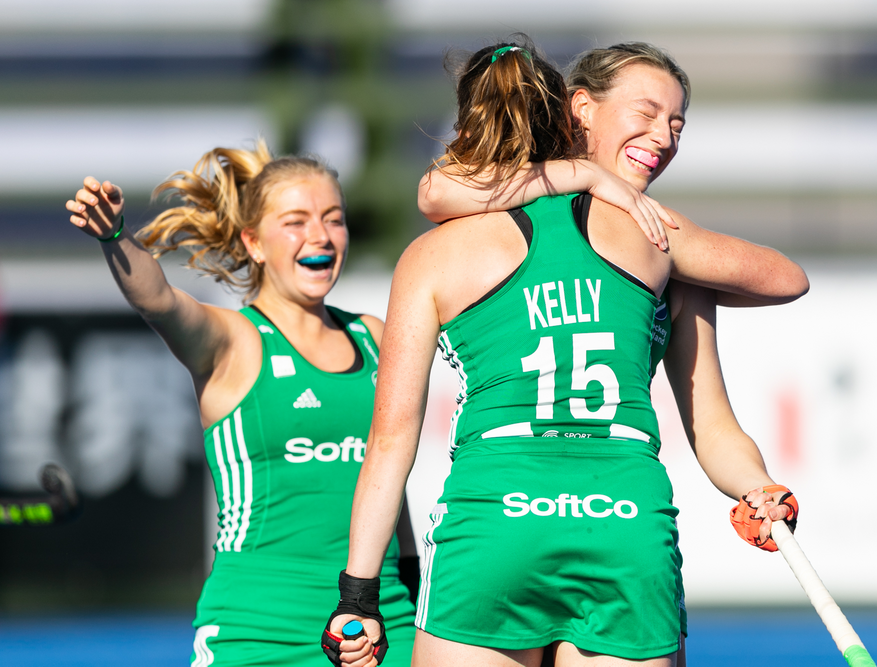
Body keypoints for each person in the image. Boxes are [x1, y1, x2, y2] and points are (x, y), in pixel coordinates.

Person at [327, 40, 799, 667]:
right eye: (647, 113)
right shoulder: (659, 237)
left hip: (495, 525)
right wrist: (759, 488)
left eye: (677, 124)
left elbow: (391, 440)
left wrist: (358, 596)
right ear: (577, 108)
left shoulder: (433, 252)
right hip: (625, 526)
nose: (664, 136)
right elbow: (777, 299)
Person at [65, 143, 416, 667]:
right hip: (257, 628)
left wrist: (411, 578)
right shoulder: (234, 340)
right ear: (254, 242)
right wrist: (114, 235)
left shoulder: (375, 337)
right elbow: (158, 300)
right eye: (295, 222)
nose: (320, 235)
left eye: (333, 219)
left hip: (380, 623)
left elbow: (390, 474)